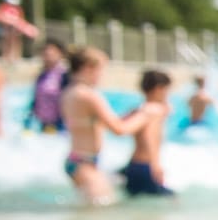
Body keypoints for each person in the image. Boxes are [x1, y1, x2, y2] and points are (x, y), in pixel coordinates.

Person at [59, 47, 150, 206]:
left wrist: (133, 114)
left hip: (76, 159)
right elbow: (119, 129)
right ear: (88, 68)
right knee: (99, 212)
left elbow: (99, 122)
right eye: (101, 70)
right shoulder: (89, 95)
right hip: (85, 162)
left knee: (90, 213)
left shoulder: (69, 92)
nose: (102, 75)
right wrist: (146, 114)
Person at [119, 70, 177, 198]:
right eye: (167, 90)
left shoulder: (138, 109)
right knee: (172, 199)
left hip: (133, 164)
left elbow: (119, 123)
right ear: (158, 89)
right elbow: (149, 137)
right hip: (146, 166)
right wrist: (155, 165)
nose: (168, 95)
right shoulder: (154, 110)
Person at [30, 40, 69, 133]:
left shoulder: (64, 75)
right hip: (44, 122)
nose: (47, 56)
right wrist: (29, 120)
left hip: (61, 122)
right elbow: (36, 99)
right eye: (45, 54)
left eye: (51, 54)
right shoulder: (42, 75)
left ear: (60, 54)